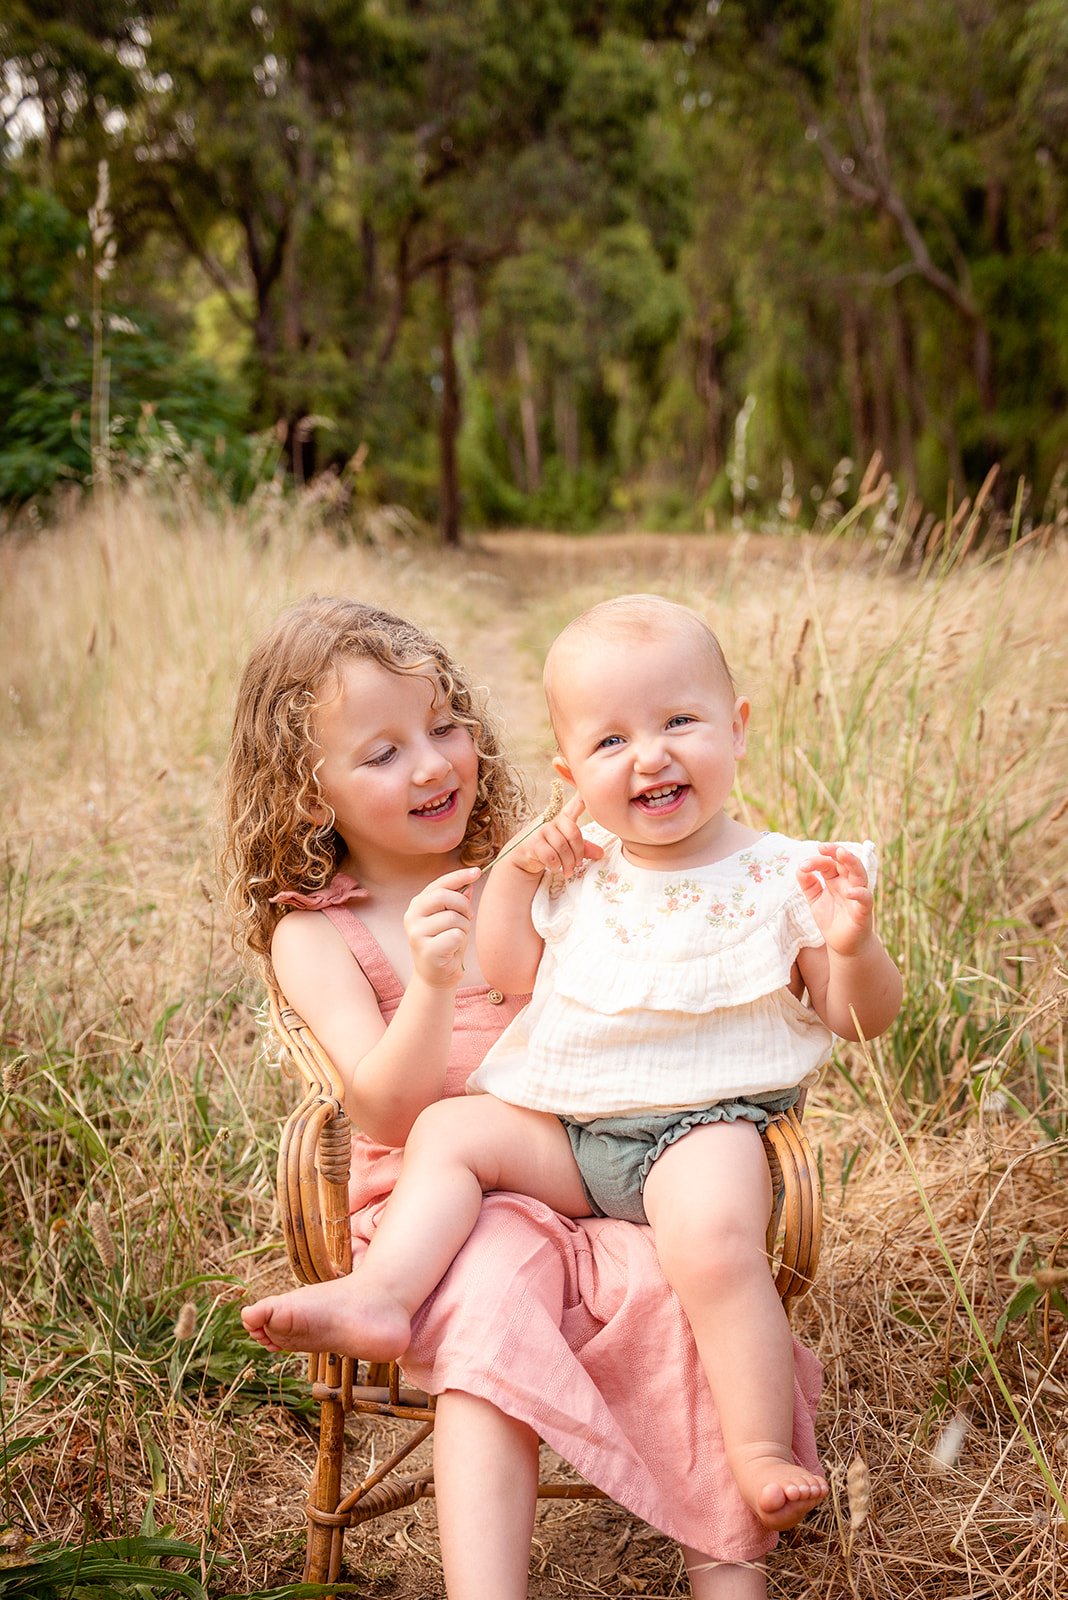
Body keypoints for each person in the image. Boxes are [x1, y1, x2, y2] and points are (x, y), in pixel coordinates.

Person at [232, 593, 826, 1600]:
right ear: (306, 792)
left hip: (584, 1161)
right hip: (435, 1205)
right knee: (493, 1290)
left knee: (677, 1287)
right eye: (381, 753)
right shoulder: (317, 932)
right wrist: (431, 978)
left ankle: (733, 1572)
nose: (431, 764)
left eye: (445, 726)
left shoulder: (536, 867)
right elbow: (383, 1111)